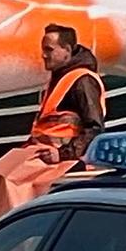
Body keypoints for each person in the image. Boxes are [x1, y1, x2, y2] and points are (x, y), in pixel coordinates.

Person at [28, 23, 107, 164]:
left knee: (9, 181)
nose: (43, 55)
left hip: (65, 163)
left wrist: (62, 154)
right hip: (42, 157)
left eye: (49, 49)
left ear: (67, 50)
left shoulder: (83, 81)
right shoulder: (58, 79)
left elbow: (95, 128)